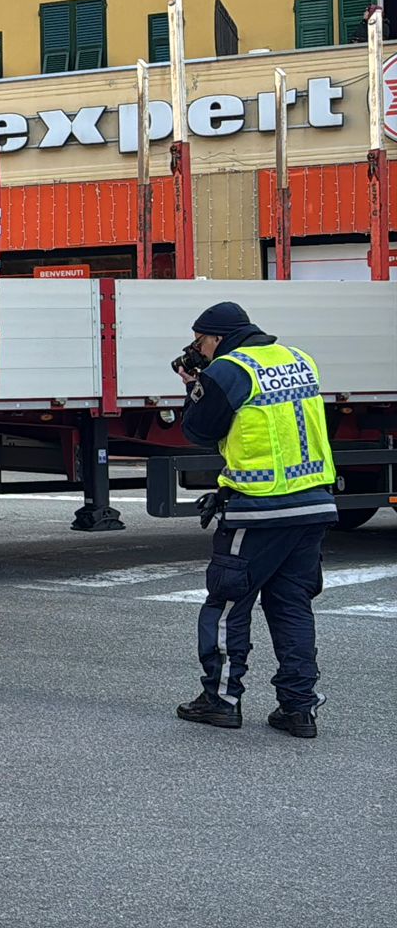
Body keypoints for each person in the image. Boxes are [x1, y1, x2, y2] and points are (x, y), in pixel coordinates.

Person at [172, 302, 333, 739]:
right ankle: (298, 709)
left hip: (259, 507)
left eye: (202, 342)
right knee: (292, 606)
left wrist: (194, 388)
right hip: (312, 504)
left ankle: (221, 701)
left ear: (218, 338)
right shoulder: (299, 359)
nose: (199, 350)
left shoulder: (229, 370)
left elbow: (199, 431)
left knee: (226, 604)